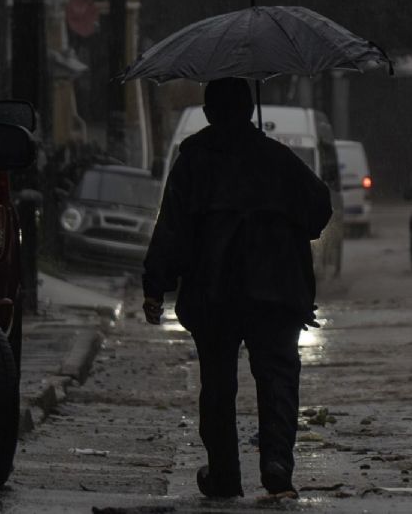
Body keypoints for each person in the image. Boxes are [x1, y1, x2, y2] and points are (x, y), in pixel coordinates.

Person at [142, 77, 332, 498]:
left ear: (209, 113)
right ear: (249, 111)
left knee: (217, 383)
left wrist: (155, 286)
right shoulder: (278, 159)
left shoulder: (193, 161)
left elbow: (171, 227)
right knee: (278, 377)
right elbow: (320, 206)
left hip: (215, 292)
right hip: (276, 291)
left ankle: (225, 475)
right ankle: (277, 463)